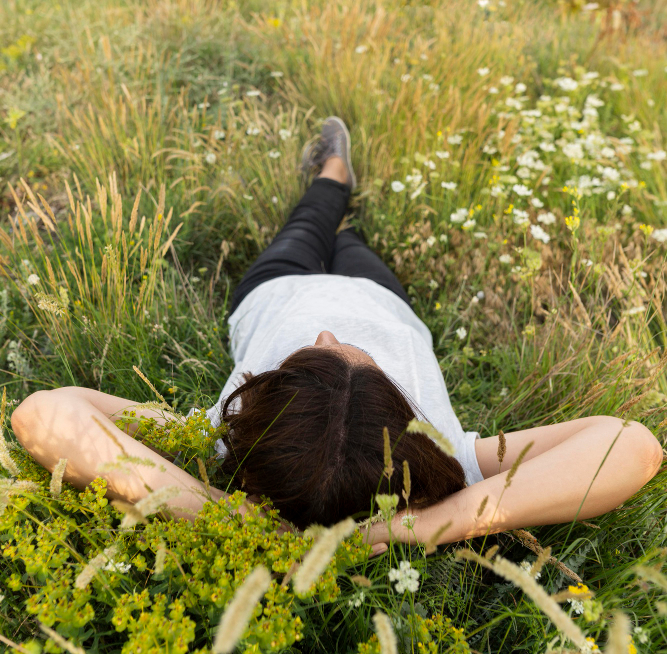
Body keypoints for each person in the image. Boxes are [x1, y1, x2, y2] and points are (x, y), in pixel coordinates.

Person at [11, 118, 663, 554]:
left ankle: (330, 185)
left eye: (314, 353)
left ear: (259, 406)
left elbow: (44, 415)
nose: (326, 331)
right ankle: (340, 198)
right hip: (381, 300)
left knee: (307, 226)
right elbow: (630, 446)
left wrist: (210, 508)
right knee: (348, 240)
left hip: (274, 289)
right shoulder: (439, 454)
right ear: (398, 418)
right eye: (358, 360)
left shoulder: (223, 438)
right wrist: (439, 522)